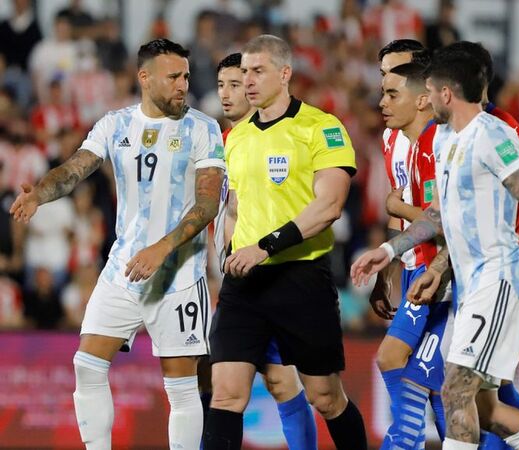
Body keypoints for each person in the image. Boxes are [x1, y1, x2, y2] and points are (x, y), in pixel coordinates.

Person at [351, 45, 519, 449]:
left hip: (499, 278)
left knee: (453, 390)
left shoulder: (496, 134)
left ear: (445, 93)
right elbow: (439, 217)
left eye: (431, 91)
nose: (426, 99)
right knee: (484, 408)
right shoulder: (446, 141)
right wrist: (390, 250)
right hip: (469, 283)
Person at [11, 39, 225, 450]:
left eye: (185, 75)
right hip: (123, 268)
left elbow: (208, 202)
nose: (184, 84)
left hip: (178, 275)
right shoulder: (115, 124)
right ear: (144, 78)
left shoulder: (203, 127)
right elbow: (75, 168)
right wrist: (39, 193)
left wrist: (162, 249)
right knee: (86, 365)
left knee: (180, 387)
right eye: (174, 77)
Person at [204, 35, 367, 450]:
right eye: (244, 73)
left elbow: (329, 205)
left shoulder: (321, 127)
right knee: (226, 394)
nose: (248, 81)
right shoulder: (236, 138)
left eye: (258, 71)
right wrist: (228, 253)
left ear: (285, 73)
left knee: (325, 397)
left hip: (301, 280)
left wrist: (265, 246)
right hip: (245, 285)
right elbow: (236, 208)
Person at [215, 52, 317, 450]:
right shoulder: (222, 142)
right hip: (234, 278)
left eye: (236, 84)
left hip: (277, 276)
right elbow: (224, 215)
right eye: (222, 84)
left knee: (280, 380)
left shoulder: (286, 138)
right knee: (226, 386)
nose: (227, 94)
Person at [377, 51, 454, 448]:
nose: (382, 102)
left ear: (422, 97)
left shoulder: (436, 143)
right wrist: (390, 258)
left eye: (392, 92)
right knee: (437, 385)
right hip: (419, 268)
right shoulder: (403, 141)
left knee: (396, 361)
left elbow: (441, 220)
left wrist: (398, 208)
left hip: (446, 274)